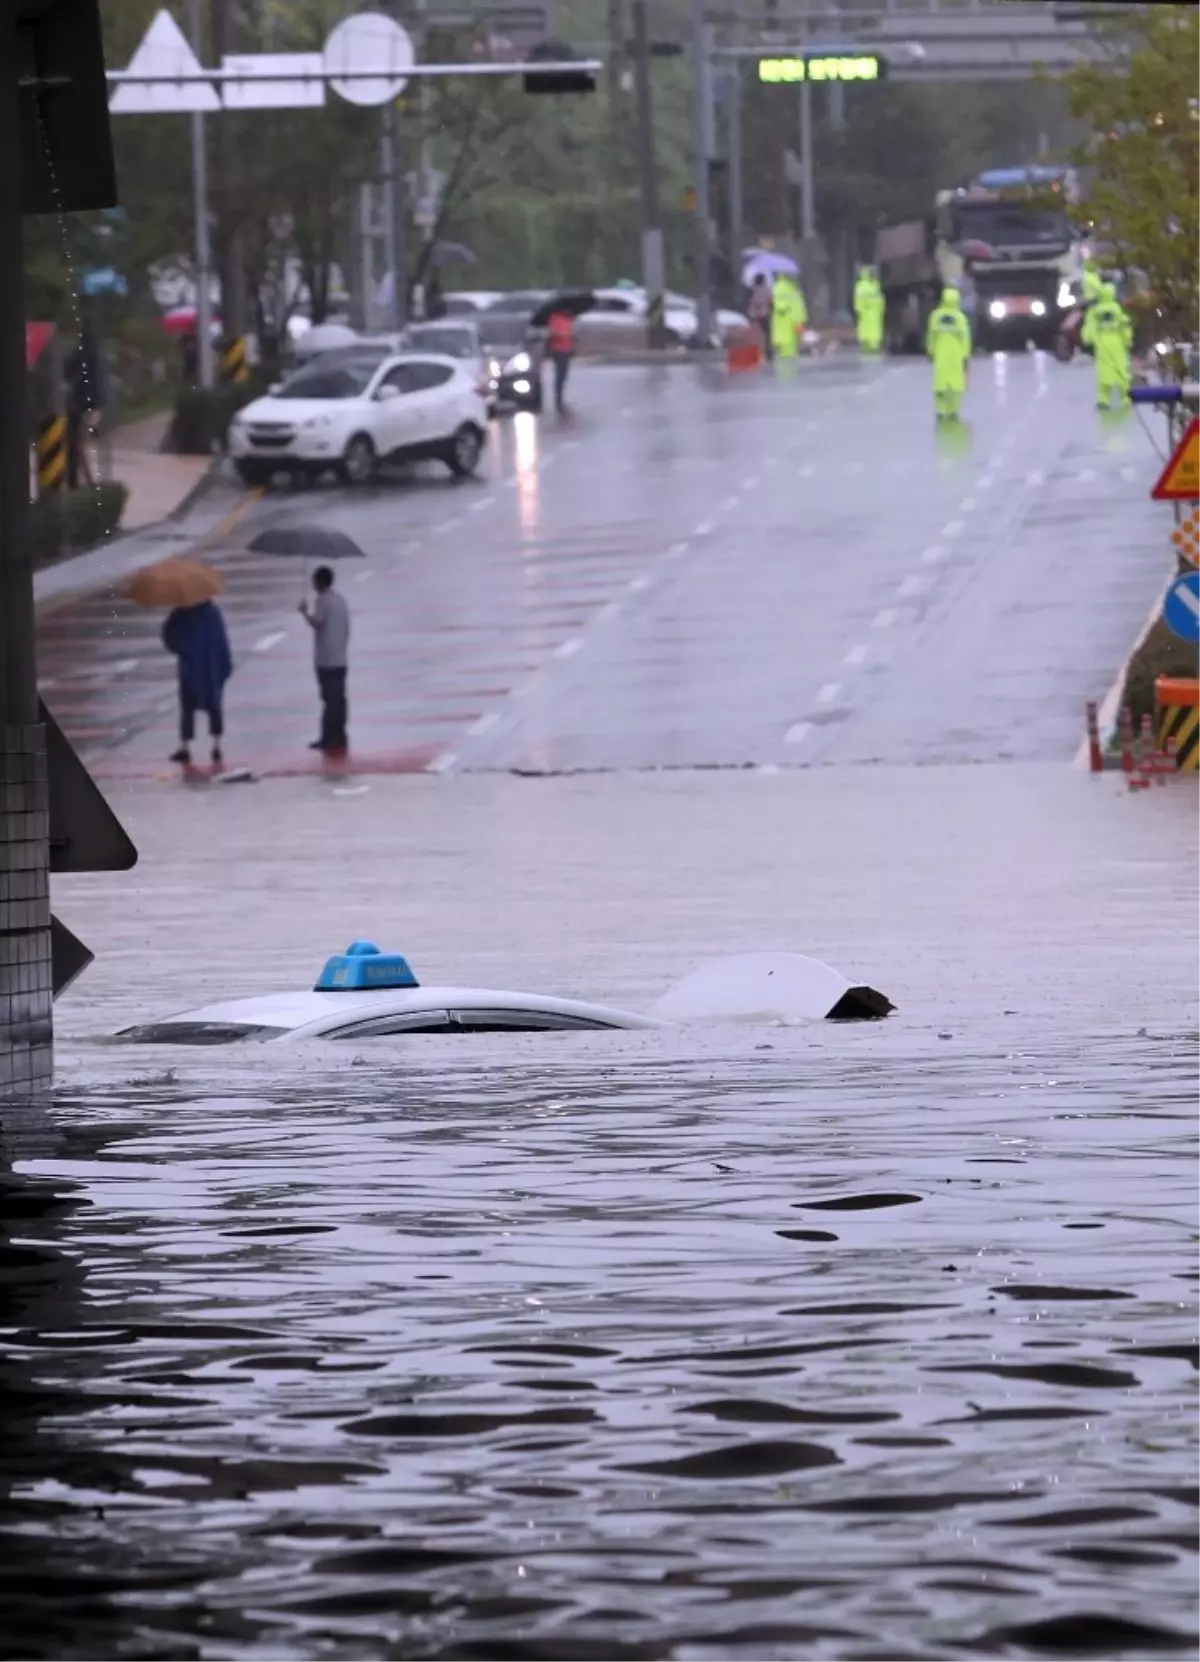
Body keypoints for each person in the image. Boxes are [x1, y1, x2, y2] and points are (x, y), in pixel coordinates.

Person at [163, 599, 232, 767]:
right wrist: (225, 664)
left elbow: (168, 634)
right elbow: (222, 639)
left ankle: (186, 746)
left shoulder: (180, 613)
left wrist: (181, 648)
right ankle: (216, 745)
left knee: (188, 706)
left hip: (191, 665)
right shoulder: (212, 612)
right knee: (213, 705)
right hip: (210, 666)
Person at [300, 565, 350, 753]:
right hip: (340, 658)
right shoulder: (341, 601)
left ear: (319, 582)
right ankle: (340, 734)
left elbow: (318, 622)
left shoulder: (322, 601)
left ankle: (328, 737)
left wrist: (305, 612)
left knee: (329, 700)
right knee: (339, 699)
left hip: (326, 660)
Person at [1080, 280, 1132, 409]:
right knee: (1121, 369)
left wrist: (1088, 339)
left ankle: (1103, 399)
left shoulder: (1095, 311)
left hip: (1102, 343)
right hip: (1117, 342)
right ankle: (1125, 397)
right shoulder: (1118, 309)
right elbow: (1124, 325)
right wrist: (1127, 339)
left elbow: (1090, 326)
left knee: (1103, 370)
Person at [925, 285, 972, 420]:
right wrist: (965, 355)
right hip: (956, 355)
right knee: (955, 384)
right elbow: (965, 337)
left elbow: (931, 335)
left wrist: (930, 350)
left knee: (940, 382)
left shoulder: (935, 316)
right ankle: (952, 410)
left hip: (940, 353)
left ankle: (941, 409)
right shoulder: (960, 318)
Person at [770, 274, 808, 362]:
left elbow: (775, 305)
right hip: (792, 323)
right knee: (789, 353)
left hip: (779, 324)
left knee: (781, 351)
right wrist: (801, 319)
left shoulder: (774, 288)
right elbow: (799, 306)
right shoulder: (793, 289)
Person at [546, 307, 575, 414]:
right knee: (560, 374)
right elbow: (553, 334)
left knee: (564, 374)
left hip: (566, 349)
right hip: (558, 349)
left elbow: (570, 334)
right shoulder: (555, 318)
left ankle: (560, 397)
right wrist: (562, 335)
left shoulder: (568, 319)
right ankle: (558, 399)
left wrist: (571, 343)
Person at [853, 265, 885, 354]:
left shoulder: (874, 284)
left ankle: (872, 345)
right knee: (869, 328)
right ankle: (869, 345)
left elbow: (879, 297)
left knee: (872, 329)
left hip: (872, 311)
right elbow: (859, 299)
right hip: (867, 311)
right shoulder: (863, 286)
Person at [747, 274, 773, 358]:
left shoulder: (752, 290)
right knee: (767, 335)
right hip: (764, 314)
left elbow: (750, 302)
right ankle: (768, 352)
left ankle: (754, 352)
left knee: (755, 335)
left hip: (754, 315)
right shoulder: (766, 290)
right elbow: (770, 301)